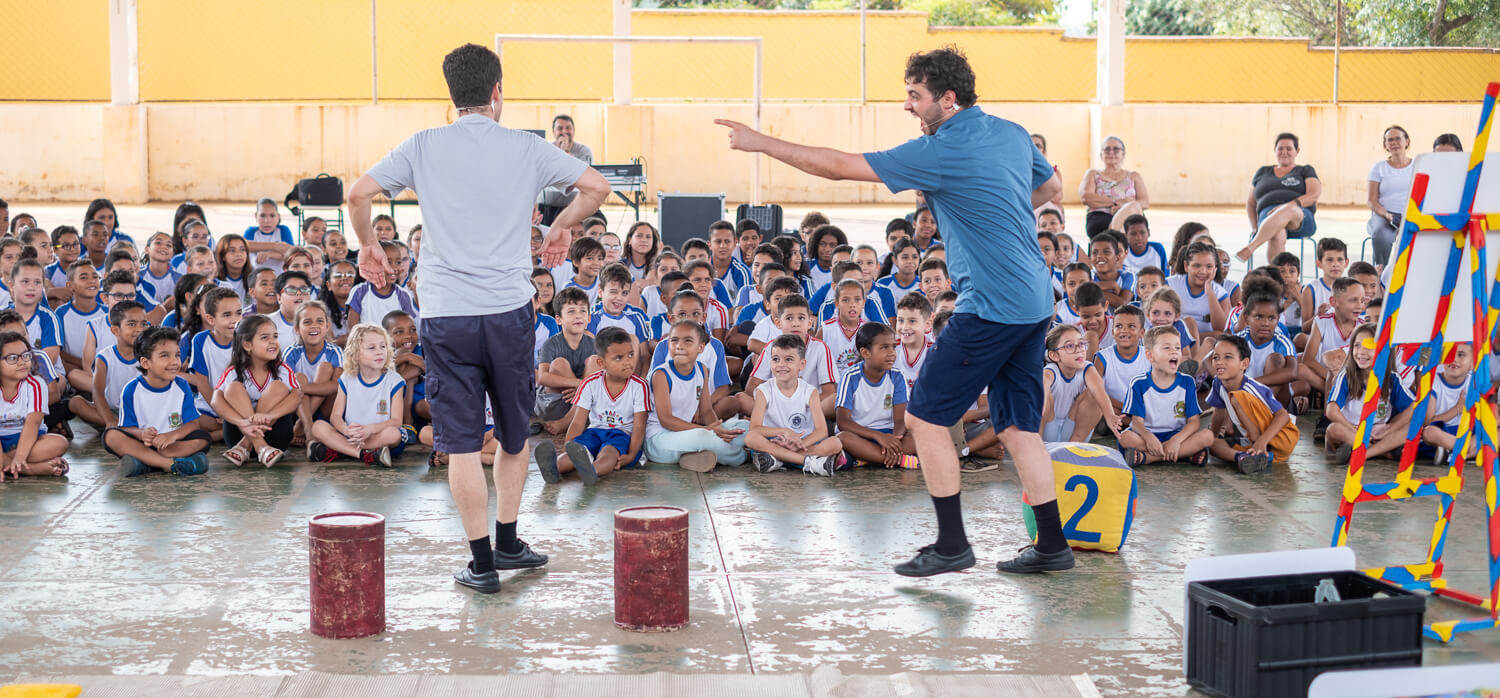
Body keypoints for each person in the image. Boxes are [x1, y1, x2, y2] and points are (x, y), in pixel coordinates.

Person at [716, 46, 1068, 575]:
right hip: (1036, 300)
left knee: (924, 419)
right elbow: (1052, 187)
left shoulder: (940, 149)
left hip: (991, 305)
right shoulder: (1013, 133)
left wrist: (760, 142)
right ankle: (1053, 546)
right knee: (1019, 428)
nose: (908, 106)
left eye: (915, 96)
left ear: (948, 100)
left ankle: (952, 544)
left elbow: (839, 167)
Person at [348, 42, 613, 594]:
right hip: (508, 312)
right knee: (514, 436)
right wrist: (561, 225)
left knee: (463, 445)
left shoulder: (422, 144)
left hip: (446, 315)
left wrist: (369, 244)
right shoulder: (526, 146)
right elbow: (597, 188)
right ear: (497, 91)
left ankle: (483, 562)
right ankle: (508, 539)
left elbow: (359, 194)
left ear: (452, 95)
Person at [533, 327, 647, 484]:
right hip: (593, 432)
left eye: (631, 355)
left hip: (621, 436)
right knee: (578, 449)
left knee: (608, 453)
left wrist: (631, 455)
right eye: (619, 358)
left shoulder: (639, 386)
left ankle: (592, 471)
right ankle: (554, 467)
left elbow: (639, 426)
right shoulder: (590, 383)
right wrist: (569, 447)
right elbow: (578, 421)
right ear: (601, 362)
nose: (628, 361)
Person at [104, 327, 212, 477]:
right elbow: (127, 428)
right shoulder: (131, 390)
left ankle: (144, 464)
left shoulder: (182, 386)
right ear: (145, 363)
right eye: (165, 356)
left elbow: (193, 424)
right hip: (143, 444)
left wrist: (172, 436)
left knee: (203, 438)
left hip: (172, 445)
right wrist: (142, 434)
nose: (174, 362)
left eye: (177, 355)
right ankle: (170, 464)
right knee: (111, 436)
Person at [644, 320, 749, 472]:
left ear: (701, 347)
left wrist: (718, 430)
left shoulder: (701, 369)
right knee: (702, 436)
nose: (679, 346)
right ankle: (743, 456)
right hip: (659, 440)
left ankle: (692, 455)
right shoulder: (661, 374)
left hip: (686, 435)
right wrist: (708, 430)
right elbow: (666, 420)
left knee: (745, 427)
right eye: (674, 340)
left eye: (687, 341)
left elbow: (706, 411)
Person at [744, 334, 843, 475]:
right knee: (751, 437)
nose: (781, 365)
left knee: (835, 443)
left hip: (803, 443)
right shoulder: (763, 390)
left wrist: (800, 444)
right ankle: (808, 462)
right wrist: (784, 432)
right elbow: (754, 428)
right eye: (775, 359)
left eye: (788, 359)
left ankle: (778, 459)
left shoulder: (810, 391)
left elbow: (822, 431)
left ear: (802, 364)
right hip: (774, 441)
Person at [309, 323, 406, 466]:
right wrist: (346, 431)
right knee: (318, 426)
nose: (379, 352)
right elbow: (335, 416)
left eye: (383, 346)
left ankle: (340, 450)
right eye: (372, 348)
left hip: (378, 436)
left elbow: (396, 421)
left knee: (393, 434)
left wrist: (369, 429)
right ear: (356, 353)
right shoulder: (347, 378)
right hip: (351, 436)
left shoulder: (395, 381)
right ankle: (364, 455)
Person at [212, 314, 302, 467]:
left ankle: (245, 446)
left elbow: (297, 396)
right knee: (233, 388)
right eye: (265, 337)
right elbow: (216, 401)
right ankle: (261, 447)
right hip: (237, 433)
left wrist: (268, 416)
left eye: (275, 336)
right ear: (247, 345)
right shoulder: (234, 371)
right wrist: (241, 422)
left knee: (279, 387)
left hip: (275, 437)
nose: (273, 341)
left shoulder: (282, 369)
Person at [1119, 326, 1214, 466]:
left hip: (1177, 435)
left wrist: (1176, 440)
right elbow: (1137, 423)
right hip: (1147, 436)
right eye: (1167, 348)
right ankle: (1183, 455)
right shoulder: (1138, 383)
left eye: (1177, 348)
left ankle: (1148, 458)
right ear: (1150, 356)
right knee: (1126, 438)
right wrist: (1149, 438)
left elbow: (1194, 422)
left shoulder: (1187, 382)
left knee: (1207, 436)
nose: (1174, 352)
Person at [1206, 334, 1299, 474]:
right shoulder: (1217, 383)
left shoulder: (1252, 387)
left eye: (1228, 357)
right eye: (1216, 357)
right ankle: (1243, 458)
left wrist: (1261, 442)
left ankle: (1258, 449)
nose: (1220, 362)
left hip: (1281, 438)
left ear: (1244, 364)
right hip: (1254, 441)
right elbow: (1218, 414)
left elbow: (1283, 415)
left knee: (1237, 397)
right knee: (1212, 444)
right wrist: (1210, 438)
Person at [834, 323, 919, 469]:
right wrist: (878, 436)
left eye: (893, 346)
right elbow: (843, 422)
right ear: (865, 353)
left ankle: (868, 458)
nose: (892, 353)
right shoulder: (850, 377)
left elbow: (900, 419)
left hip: (889, 434)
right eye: (884, 347)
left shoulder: (897, 376)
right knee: (843, 438)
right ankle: (900, 460)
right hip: (860, 435)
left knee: (921, 436)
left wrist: (894, 441)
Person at [1237, 133, 1321, 263]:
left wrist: (1287, 206)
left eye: (1289, 148)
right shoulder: (1263, 171)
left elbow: (1313, 194)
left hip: (1299, 217)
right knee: (1276, 234)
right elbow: (1251, 203)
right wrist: (1254, 227)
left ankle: (1250, 248)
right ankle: (1277, 275)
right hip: (1268, 220)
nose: (1284, 152)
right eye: (1280, 148)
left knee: (1289, 209)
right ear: (1275, 150)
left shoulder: (1305, 170)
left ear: (1297, 151)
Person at [0, 330, 70, 479]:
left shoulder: (36, 384)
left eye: (26, 355)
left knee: (60, 443)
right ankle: (31, 469)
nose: (22, 362)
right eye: (12, 358)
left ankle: (9, 464)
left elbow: (33, 422)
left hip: (31, 441)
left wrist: (20, 457)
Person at [68, 301, 147, 431]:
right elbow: (97, 392)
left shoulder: (149, 356)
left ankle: (125, 429)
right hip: (108, 411)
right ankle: (122, 427)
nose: (139, 329)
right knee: (75, 403)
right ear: (116, 330)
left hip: (139, 412)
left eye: (144, 324)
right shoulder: (104, 357)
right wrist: (109, 419)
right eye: (132, 324)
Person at [1079, 136, 1149, 240]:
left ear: (1123, 154)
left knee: (1134, 207)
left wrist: (1124, 208)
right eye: (1107, 149)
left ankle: (1114, 240)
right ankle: (1120, 242)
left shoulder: (1134, 176)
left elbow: (1144, 202)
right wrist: (1118, 203)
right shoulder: (1093, 174)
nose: (1111, 152)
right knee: (1132, 209)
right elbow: (1086, 198)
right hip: (1101, 217)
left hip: (1130, 217)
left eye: (1116, 149)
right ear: (1101, 155)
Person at [1367, 125, 1414, 268]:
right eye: (1390, 140)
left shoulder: (1417, 165)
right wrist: (1386, 214)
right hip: (1385, 216)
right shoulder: (1378, 168)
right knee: (1379, 234)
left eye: (1398, 139)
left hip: (1411, 215)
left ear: (1407, 141)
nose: (1394, 143)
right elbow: (1372, 201)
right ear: (1385, 145)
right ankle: (1380, 272)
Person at [536, 113, 595, 225]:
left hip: (575, 204)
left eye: (568, 128)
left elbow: (583, 177)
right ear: (553, 132)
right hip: (548, 204)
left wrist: (566, 152)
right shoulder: (546, 149)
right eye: (560, 128)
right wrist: (561, 151)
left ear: (574, 131)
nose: (564, 131)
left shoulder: (584, 151)